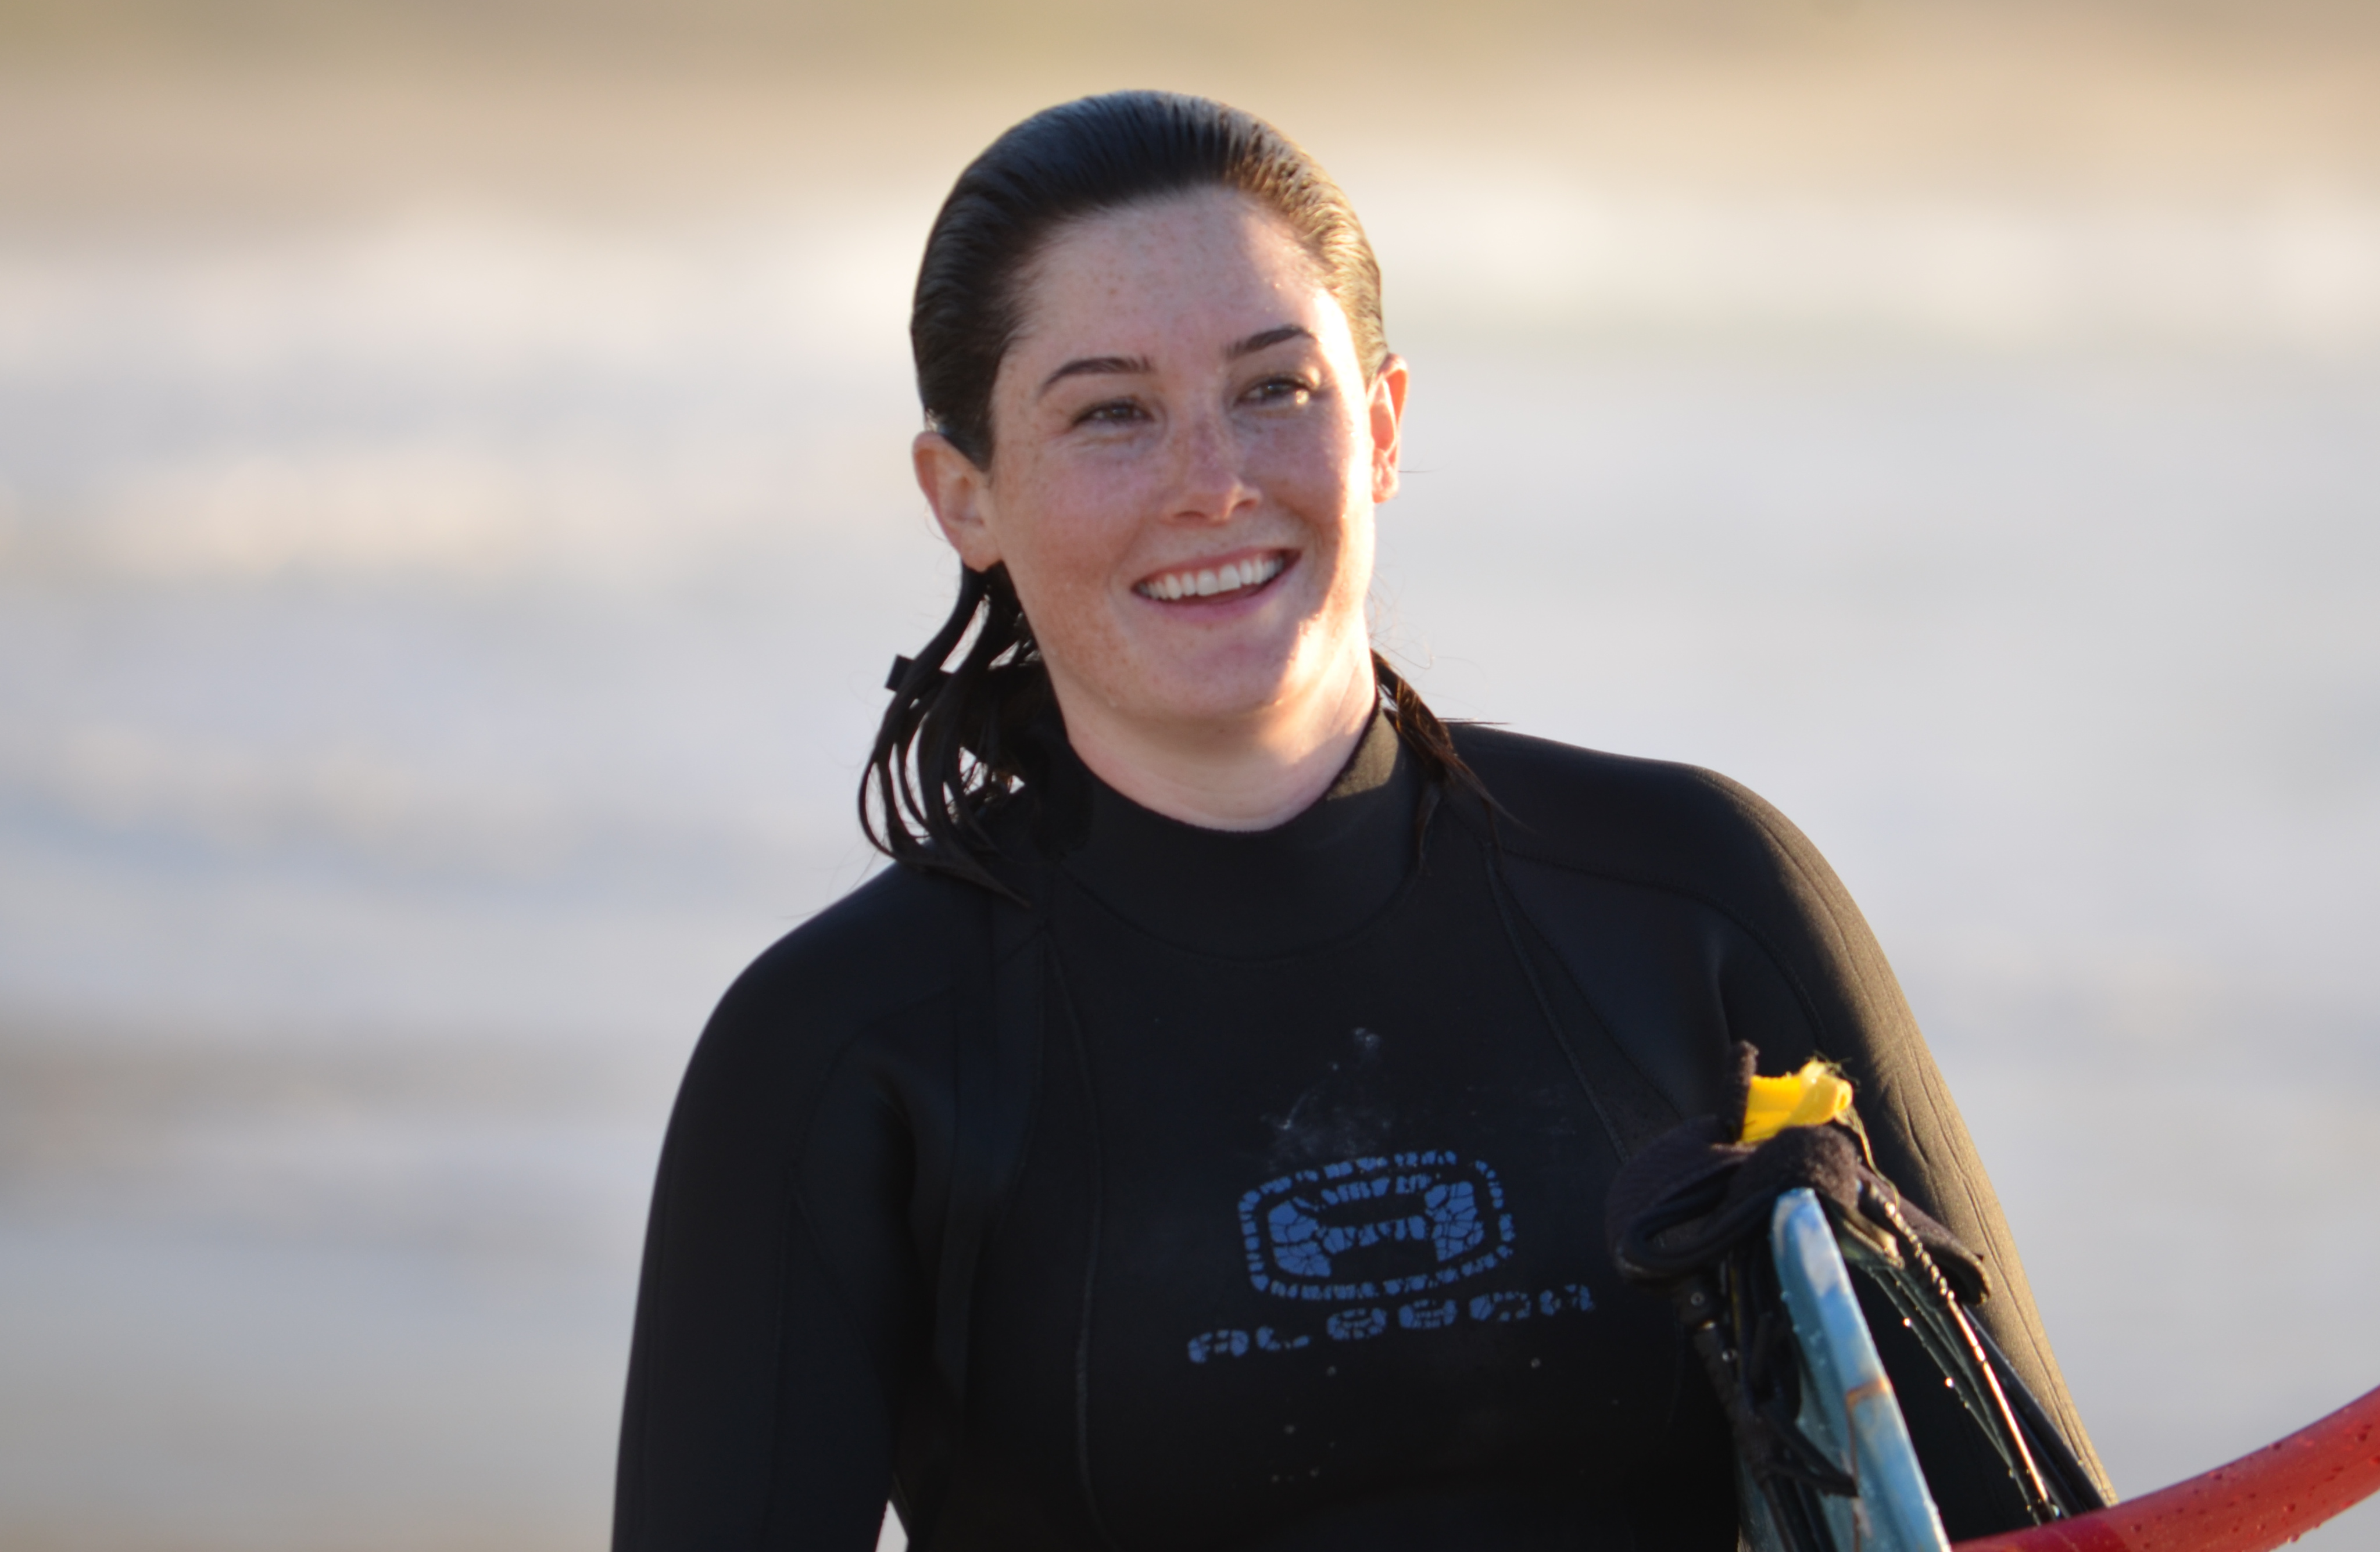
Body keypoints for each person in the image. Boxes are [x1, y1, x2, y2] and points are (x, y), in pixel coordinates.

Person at [613, 91, 2109, 1551]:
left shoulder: (1695, 901)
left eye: (1275, 390)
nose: (1214, 485)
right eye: (1111, 414)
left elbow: (2036, 1531)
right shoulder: (845, 1051)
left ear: (1382, 426)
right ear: (964, 497)